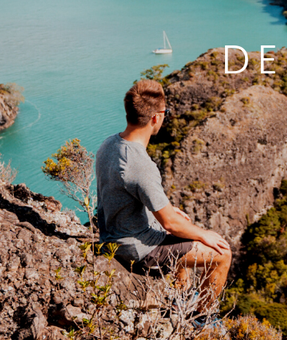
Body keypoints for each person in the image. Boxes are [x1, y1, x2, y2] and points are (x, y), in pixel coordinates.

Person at [96, 79, 232, 316]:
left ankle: (180, 295)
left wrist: (167, 216)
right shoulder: (140, 164)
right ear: (156, 117)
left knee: (179, 224)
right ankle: (203, 320)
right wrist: (204, 234)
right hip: (136, 252)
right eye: (166, 113)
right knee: (222, 254)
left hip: (111, 234)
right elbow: (169, 223)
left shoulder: (109, 143)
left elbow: (123, 193)